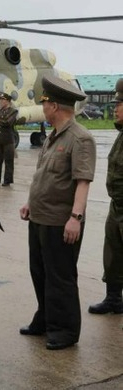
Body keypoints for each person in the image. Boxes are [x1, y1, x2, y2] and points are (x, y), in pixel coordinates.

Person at [18, 74, 96, 350]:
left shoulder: (80, 138)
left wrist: (75, 218)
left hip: (60, 222)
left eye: (45, 103)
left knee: (60, 277)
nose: (43, 108)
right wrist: (30, 203)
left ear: (55, 106)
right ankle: (46, 317)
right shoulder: (52, 137)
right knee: (39, 273)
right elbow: (45, 177)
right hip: (39, 218)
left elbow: (83, 181)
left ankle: (65, 329)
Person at [88, 78, 123, 315]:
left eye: (120, 104)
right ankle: (113, 299)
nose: (115, 108)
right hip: (117, 206)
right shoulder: (120, 135)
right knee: (113, 254)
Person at [0, 92, 18, 186]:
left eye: (2, 100)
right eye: (0, 100)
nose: (0, 101)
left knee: (8, 161)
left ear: (8, 101)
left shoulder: (13, 111)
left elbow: (8, 122)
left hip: (8, 140)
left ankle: (7, 181)